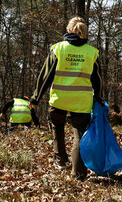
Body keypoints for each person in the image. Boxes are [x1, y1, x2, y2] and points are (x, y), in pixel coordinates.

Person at [30, 16, 103, 181]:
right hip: (81, 102)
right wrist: (98, 97)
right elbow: (97, 79)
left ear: (69, 30)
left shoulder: (58, 49)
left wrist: (35, 98)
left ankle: (61, 161)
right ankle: (78, 174)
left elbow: (45, 77)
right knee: (80, 136)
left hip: (59, 99)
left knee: (58, 129)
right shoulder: (91, 53)